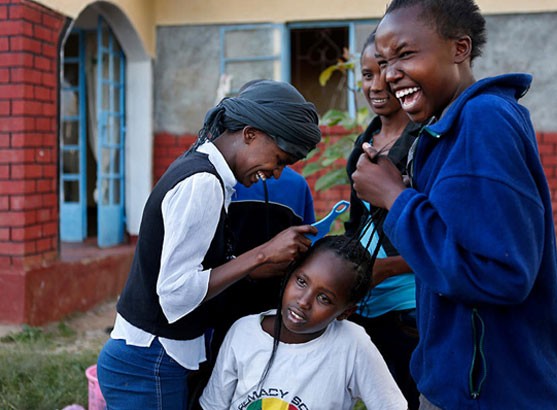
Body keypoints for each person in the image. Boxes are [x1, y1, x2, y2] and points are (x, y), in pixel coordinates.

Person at [351, 1, 557, 409]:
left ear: (460, 48)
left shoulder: (483, 121)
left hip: (488, 394)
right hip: (456, 382)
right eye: (382, 62)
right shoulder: (447, 128)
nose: (389, 74)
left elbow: (500, 274)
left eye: (404, 54)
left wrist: (395, 199)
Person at [96, 79, 322, 410]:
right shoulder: (203, 183)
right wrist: (261, 254)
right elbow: (175, 294)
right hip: (151, 364)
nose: (276, 174)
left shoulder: (206, 171)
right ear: (249, 134)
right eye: (279, 159)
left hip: (152, 360)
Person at [199, 235, 408, 410]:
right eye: (301, 281)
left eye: (324, 298)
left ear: (345, 312)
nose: (303, 301)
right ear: (289, 275)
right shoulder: (243, 332)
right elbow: (214, 405)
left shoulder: (352, 345)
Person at [187, 167, 316, 409]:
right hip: (217, 311)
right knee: (213, 385)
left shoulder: (297, 185)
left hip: (273, 313)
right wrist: (250, 267)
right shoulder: (213, 181)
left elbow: (307, 244)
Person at [345, 30, 421, 409]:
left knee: (409, 396)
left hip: (410, 308)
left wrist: (387, 268)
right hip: (367, 304)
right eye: (366, 74)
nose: (376, 85)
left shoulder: (424, 143)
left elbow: (442, 238)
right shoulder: (366, 141)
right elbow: (357, 223)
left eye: (384, 71)